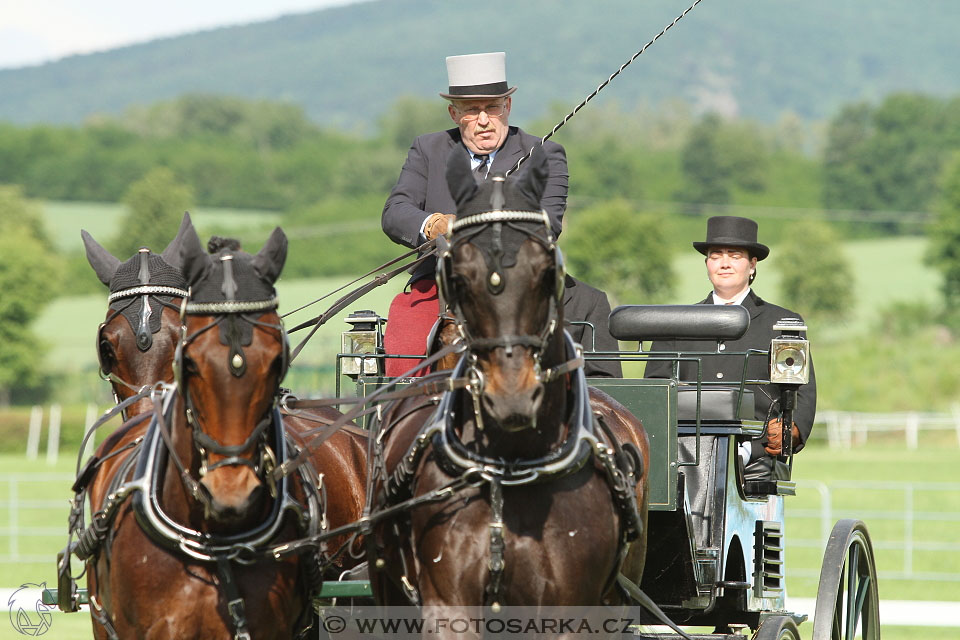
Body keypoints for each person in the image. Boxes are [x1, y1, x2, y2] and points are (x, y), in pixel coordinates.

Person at [381, 51, 621, 378]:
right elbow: (396, 213)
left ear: (507, 107)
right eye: (471, 110)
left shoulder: (544, 154)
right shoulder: (428, 149)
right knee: (405, 328)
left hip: (522, 283)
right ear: (454, 113)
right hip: (443, 283)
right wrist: (433, 224)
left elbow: (548, 226)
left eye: (492, 107)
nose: (483, 120)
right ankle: (403, 416)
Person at [645, 215, 817, 481]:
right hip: (685, 454)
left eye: (734, 256)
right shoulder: (676, 323)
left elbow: (802, 391)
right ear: (707, 265)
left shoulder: (782, 323)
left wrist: (792, 430)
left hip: (758, 454)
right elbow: (654, 389)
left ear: (752, 265)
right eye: (716, 256)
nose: (724, 263)